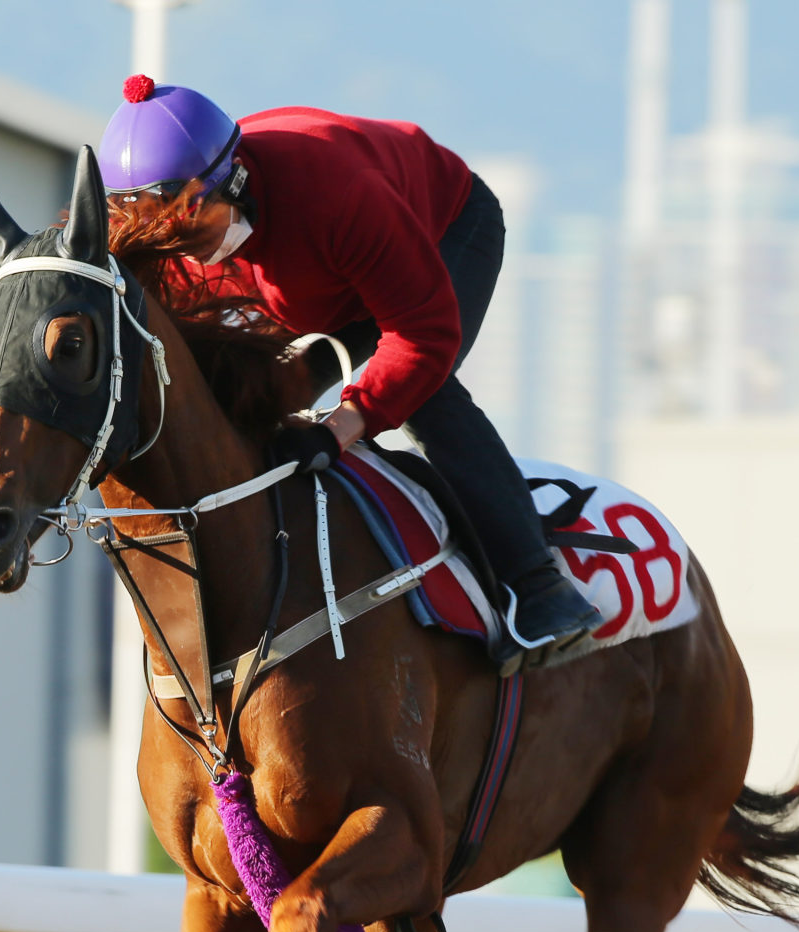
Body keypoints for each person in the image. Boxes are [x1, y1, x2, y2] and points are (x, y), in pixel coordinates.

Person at [97, 75, 602, 670]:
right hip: (318, 285)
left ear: (230, 182)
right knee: (255, 397)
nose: (183, 255)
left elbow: (422, 336)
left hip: (442, 231)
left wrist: (340, 427)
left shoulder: (336, 193)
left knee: (421, 395)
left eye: (191, 232)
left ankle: (541, 586)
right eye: (165, 242)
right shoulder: (172, 240)